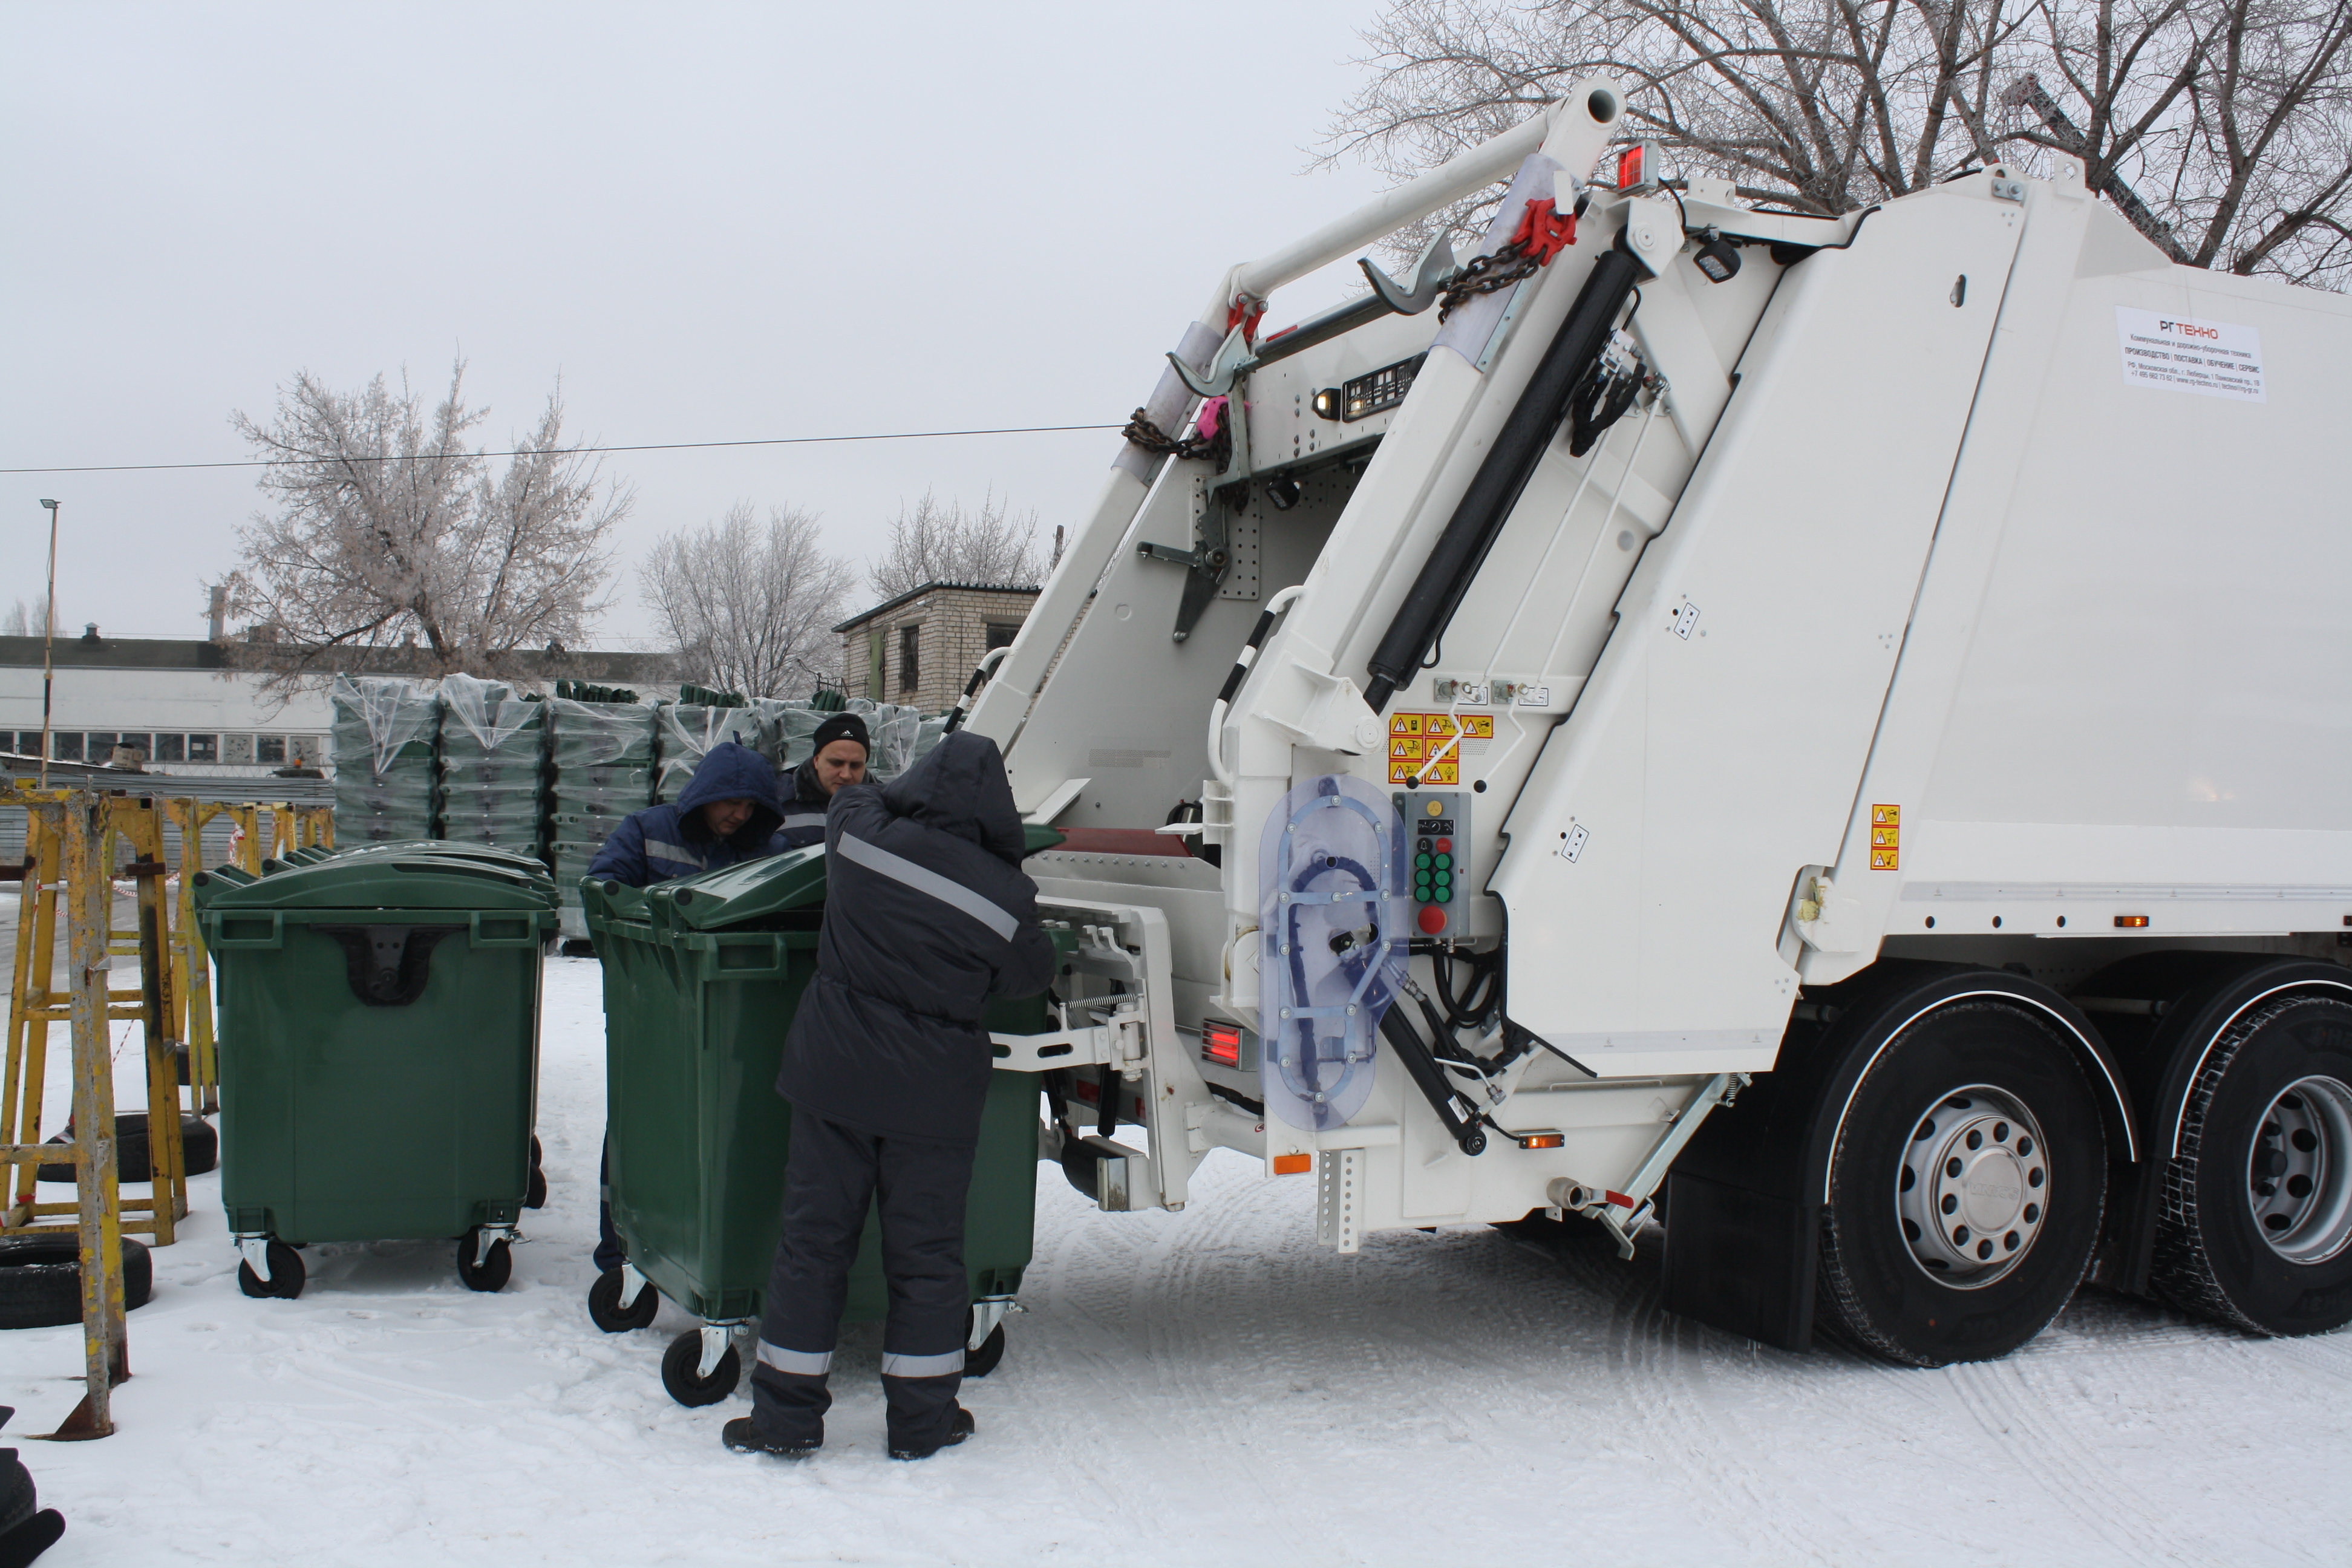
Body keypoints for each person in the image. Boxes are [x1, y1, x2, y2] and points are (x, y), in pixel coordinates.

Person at [725, 731, 1054, 1463]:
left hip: (834, 1079)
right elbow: (1030, 976)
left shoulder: (862, 836)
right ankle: (922, 1422)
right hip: (933, 1099)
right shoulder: (1004, 894)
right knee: (929, 1259)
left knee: (812, 1246)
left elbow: (855, 793)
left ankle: (785, 1419)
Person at [586, 739, 788, 1275]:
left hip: (734, 1023)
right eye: (730, 803)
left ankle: (718, 1244)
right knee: (640, 1125)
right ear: (704, 795)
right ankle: (620, 1244)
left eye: (750, 808)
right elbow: (603, 894)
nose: (738, 815)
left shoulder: (770, 848)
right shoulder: (648, 832)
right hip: (654, 1013)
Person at [776, 712, 871, 849]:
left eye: (855, 765)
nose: (846, 775)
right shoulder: (779, 802)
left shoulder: (883, 805)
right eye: (836, 763)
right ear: (817, 761)